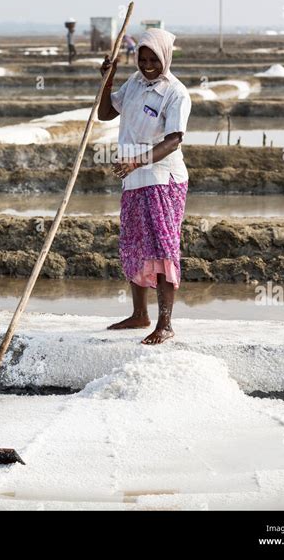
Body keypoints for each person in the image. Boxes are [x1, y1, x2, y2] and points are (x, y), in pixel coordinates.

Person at [98, 28, 192, 345]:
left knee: (163, 247)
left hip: (162, 179)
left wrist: (137, 161)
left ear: (165, 58)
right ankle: (140, 314)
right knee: (134, 244)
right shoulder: (135, 84)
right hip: (133, 178)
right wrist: (107, 79)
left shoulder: (175, 93)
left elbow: (175, 140)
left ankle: (165, 323)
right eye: (143, 58)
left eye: (154, 59)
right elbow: (106, 112)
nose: (148, 65)